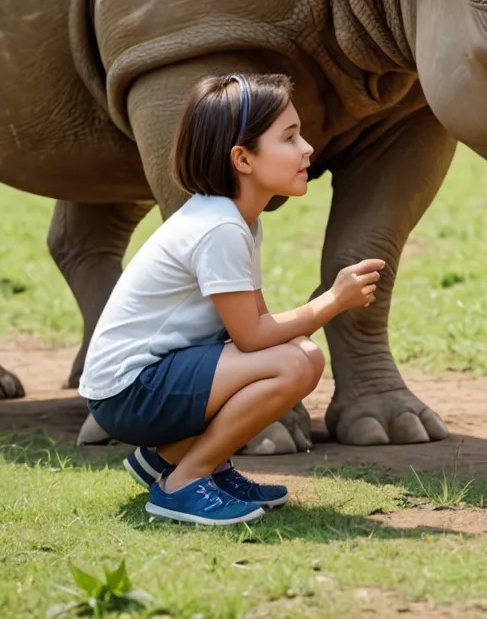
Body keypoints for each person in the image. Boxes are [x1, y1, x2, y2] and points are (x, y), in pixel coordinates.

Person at [79, 73, 384, 526]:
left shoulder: (237, 220)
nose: (306, 149)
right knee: (298, 362)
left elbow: (256, 325)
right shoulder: (219, 228)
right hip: (129, 392)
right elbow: (253, 335)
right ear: (242, 158)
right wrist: (332, 300)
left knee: (298, 356)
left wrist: (322, 310)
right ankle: (183, 482)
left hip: (147, 381)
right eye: (289, 137)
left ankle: (172, 461)